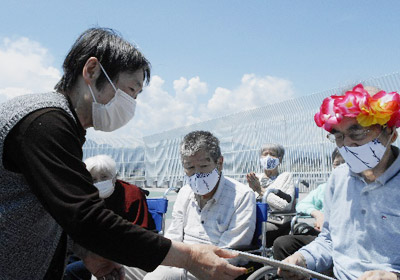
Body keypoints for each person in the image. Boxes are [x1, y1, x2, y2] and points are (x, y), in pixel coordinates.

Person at [0, 27, 246, 280]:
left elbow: (60, 209)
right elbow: (87, 218)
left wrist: (87, 252)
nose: (132, 104)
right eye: (130, 90)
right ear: (92, 70)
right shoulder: (46, 123)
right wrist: (190, 257)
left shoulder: (52, 121)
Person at [278, 84, 400, 280]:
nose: (347, 144)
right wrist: (303, 258)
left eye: (358, 133)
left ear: (391, 132)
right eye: (338, 136)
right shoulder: (339, 178)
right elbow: (329, 241)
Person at [142, 130, 257, 280]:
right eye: (190, 168)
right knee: (122, 266)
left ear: (219, 163)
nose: (197, 174)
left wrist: (187, 263)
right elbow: (174, 236)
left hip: (210, 269)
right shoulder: (184, 193)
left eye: (203, 166)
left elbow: (229, 253)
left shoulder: (242, 196)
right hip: (180, 262)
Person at [64, 154, 155, 280]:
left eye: (104, 177)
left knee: (71, 271)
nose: (98, 182)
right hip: (93, 249)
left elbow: (140, 233)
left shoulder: (132, 194)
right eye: (94, 179)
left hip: (123, 253)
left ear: (114, 178)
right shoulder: (86, 196)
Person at [272, 148, 344, 261]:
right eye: (336, 164)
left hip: (344, 238)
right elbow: (301, 205)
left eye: (344, 163)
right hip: (324, 237)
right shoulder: (325, 188)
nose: (340, 167)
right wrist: (318, 214)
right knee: (282, 244)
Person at [246, 143, 295, 247]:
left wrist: (260, 190)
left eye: (272, 154)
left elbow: (285, 205)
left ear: (280, 159)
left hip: (274, 221)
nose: (268, 157)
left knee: (255, 230)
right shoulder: (256, 178)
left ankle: (256, 260)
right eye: (265, 154)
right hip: (253, 218)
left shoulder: (285, 177)